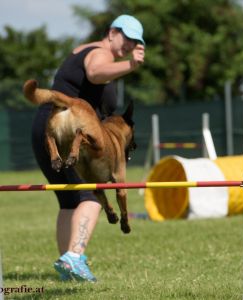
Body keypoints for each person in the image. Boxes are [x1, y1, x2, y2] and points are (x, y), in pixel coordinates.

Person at [31, 14, 145, 282]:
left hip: (45, 125)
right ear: (112, 32)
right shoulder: (101, 54)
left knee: (69, 200)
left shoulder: (81, 49)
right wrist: (130, 64)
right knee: (93, 195)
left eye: (136, 42)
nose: (129, 45)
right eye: (127, 37)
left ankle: (67, 267)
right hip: (72, 131)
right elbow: (95, 72)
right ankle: (74, 256)